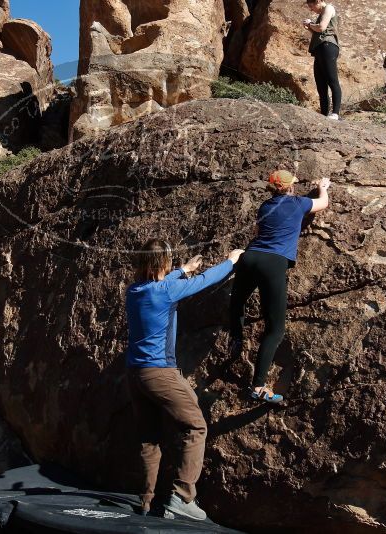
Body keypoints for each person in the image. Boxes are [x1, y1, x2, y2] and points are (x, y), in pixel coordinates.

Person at [125, 239, 244, 520]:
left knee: (148, 438)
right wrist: (231, 261)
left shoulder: (134, 291)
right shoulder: (167, 291)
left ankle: (146, 501)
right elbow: (204, 281)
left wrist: (183, 269)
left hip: (135, 373)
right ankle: (182, 496)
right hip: (160, 373)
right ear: (162, 265)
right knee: (196, 426)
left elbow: (163, 282)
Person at [229, 170, 331, 404]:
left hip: (251, 256)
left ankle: (235, 337)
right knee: (275, 329)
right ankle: (258, 386)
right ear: (290, 187)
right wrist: (323, 186)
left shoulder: (265, 206)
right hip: (273, 262)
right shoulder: (298, 203)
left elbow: (258, 231)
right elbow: (322, 204)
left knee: (238, 299)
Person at [303, 0, 342, 120]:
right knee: (321, 83)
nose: (311, 9)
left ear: (319, 1)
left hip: (328, 46)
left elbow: (321, 27)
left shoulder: (329, 8)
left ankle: (335, 113)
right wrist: (310, 27)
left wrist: (310, 24)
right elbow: (319, 31)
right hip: (320, 49)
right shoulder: (322, 13)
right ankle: (324, 115)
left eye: (311, 6)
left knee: (332, 79)